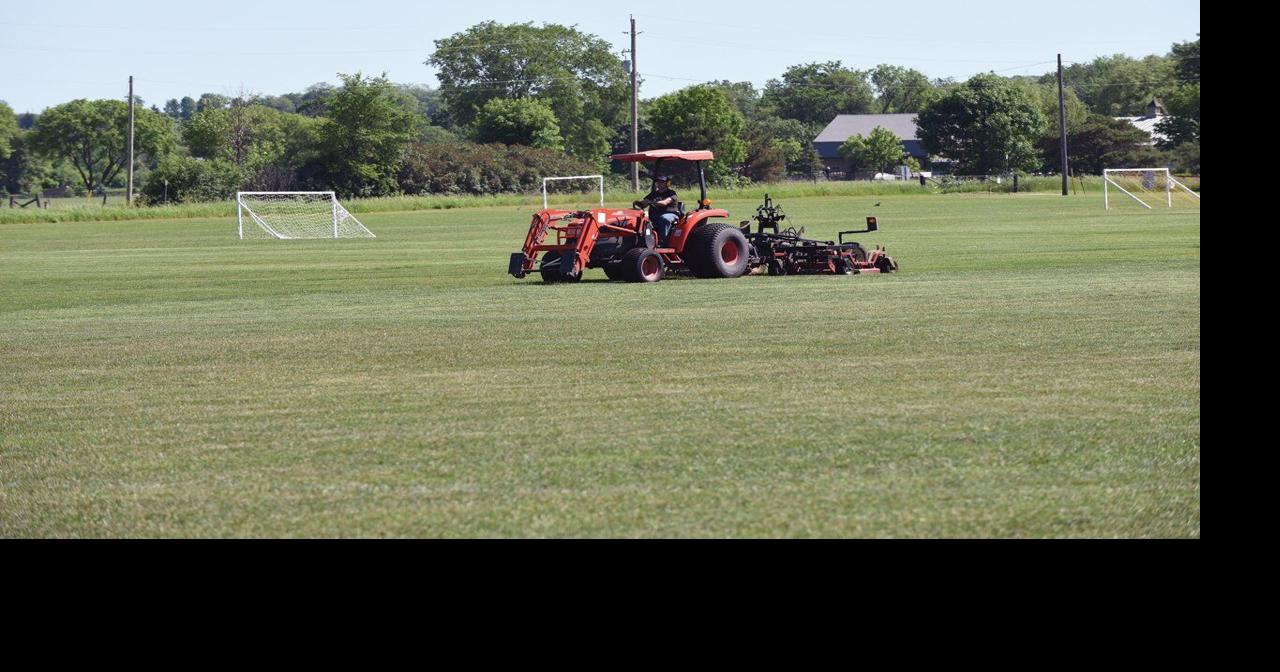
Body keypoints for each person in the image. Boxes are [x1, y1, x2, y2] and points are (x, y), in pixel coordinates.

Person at [632, 175, 679, 245]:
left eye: (662, 182)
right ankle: (641, 242)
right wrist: (639, 203)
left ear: (667, 183)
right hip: (655, 215)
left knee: (664, 219)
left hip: (670, 214)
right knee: (641, 220)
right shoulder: (654, 194)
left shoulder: (672, 193)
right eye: (658, 182)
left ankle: (663, 242)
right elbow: (644, 203)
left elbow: (664, 203)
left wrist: (651, 202)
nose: (659, 183)